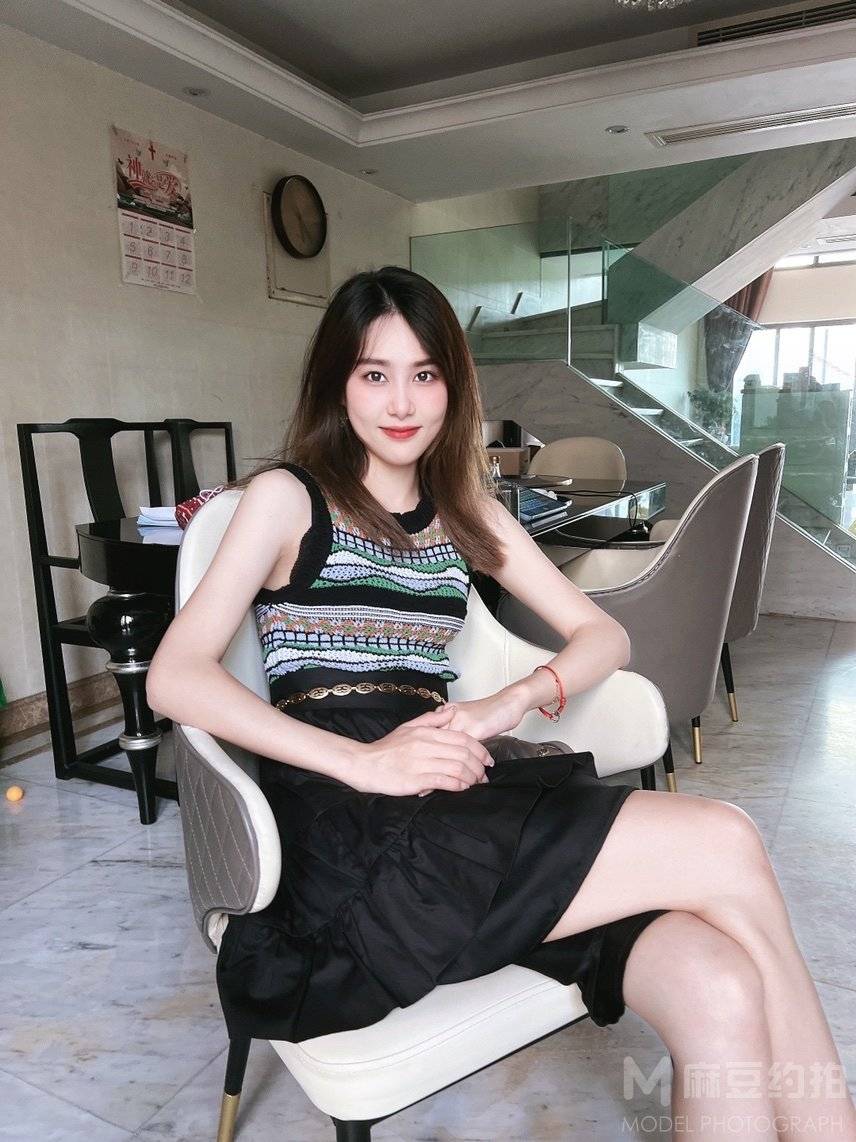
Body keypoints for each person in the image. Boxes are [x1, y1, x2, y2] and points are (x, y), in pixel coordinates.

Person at [147, 267, 855, 1138]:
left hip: (454, 791)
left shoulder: (462, 509)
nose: (400, 401)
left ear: (453, 383)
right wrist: (364, 761)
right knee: (727, 839)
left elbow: (604, 637)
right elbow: (175, 675)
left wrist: (504, 705)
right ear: (337, 383)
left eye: (424, 374)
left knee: (719, 983)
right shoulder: (287, 498)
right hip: (348, 828)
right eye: (374, 373)